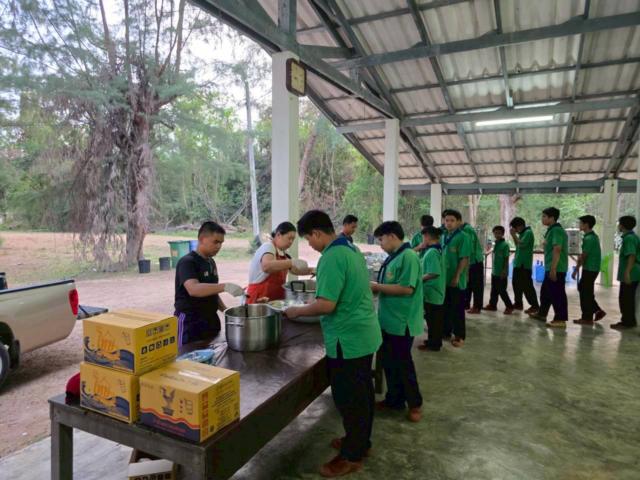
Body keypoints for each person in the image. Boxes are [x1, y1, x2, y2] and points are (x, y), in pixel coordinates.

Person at [284, 210, 382, 478]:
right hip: (363, 333)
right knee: (362, 393)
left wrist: (297, 311)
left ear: (317, 233)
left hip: (348, 338)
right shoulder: (350, 249)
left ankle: (352, 455)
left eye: (308, 239)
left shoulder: (331, 257)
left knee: (349, 398)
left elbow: (326, 305)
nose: (310, 244)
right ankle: (360, 441)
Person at [370, 221, 423, 423]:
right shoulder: (394, 256)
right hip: (388, 320)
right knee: (389, 363)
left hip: (402, 321)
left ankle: (415, 404)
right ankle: (395, 400)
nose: (380, 244)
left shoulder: (408, 256)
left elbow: (406, 289)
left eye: (381, 239)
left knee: (403, 364)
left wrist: (376, 287)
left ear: (392, 236)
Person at [174, 222, 244, 346]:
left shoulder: (211, 262)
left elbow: (212, 292)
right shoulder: (187, 262)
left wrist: (226, 311)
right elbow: (193, 289)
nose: (219, 246)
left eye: (221, 243)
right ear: (202, 239)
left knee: (213, 354)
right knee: (187, 355)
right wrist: (225, 286)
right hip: (190, 323)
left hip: (210, 321)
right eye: (215, 242)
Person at [246, 221, 311, 304]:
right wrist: (292, 262)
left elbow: (295, 270)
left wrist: (313, 270)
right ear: (278, 235)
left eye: (293, 239)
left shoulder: (283, 253)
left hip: (274, 300)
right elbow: (266, 266)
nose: (291, 242)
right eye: (289, 238)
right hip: (259, 298)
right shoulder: (268, 246)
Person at [529, 207, 569, 328]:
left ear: (552, 218)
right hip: (550, 267)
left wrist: (553, 269)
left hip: (556, 268)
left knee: (557, 293)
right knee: (546, 292)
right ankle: (542, 314)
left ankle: (560, 319)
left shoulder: (556, 230)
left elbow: (557, 249)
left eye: (544, 216)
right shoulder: (551, 230)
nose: (542, 219)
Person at [442, 209, 470, 347]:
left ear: (459, 222)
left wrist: (457, 276)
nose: (449, 223)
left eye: (452, 220)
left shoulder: (463, 237)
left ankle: (459, 336)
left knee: (457, 309)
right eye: (446, 220)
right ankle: (446, 332)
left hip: (456, 280)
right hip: (444, 279)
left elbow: (464, 258)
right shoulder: (444, 236)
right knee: (446, 307)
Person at [572, 215, 606, 325]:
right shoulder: (592, 236)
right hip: (592, 268)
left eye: (581, 223)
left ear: (586, 224)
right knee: (585, 290)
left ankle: (587, 317)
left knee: (585, 292)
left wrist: (576, 270)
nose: (579, 225)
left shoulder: (589, 238)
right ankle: (597, 311)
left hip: (590, 269)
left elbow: (584, 256)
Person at [417, 226, 445, 352]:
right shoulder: (437, 249)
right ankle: (434, 341)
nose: (423, 239)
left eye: (423, 237)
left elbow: (434, 272)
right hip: (434, 290)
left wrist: (418, 280)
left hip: (432, 291)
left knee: (433, 320)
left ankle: (434, 344)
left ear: (427, 236)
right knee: (434, 319)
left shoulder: (432, 252)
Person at [613, 215, 640, 330]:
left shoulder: (629, 238)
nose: (618, 226)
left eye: (619, 223)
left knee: (626, 299)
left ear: (622, 225)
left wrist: (627, 272)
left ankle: (627, 322)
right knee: (627, 298)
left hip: (631, 273)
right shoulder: (631, 237)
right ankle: (628, 320)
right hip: (632, 272)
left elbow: (631, 255)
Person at [509, 217, 540, 313]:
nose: (515, 230)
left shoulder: (528, 233)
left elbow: (522, 245)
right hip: (518, 264)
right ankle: (518, 303)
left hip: (524, 264)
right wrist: (514, 236)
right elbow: (517, 244)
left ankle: (535, 305)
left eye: (515, 228)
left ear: (520, 226)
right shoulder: (522, 234)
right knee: (516, 284)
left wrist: (514, 235)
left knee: (527, 286)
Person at [484, 226, 514, 314]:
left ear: (502, 234)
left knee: (502, 290)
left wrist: (504, 271)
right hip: (494, 272)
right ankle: (492, 305)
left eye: (499, 233)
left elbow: (506, 259)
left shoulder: (505, 245)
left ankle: (509, 306)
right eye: (495, 233)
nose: (497, 235)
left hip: (501, 272)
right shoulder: (496, 244)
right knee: (494, 290)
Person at [463, 221, 484, 314]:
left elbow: (469, 250)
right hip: (470, 262)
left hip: (474, 261)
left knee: (476, 286)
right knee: (469, 285)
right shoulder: (464, 229)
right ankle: (466, 304)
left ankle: (477, 307)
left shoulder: (467, 230)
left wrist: (466, 267)